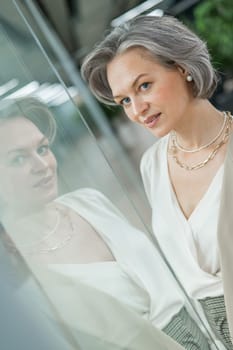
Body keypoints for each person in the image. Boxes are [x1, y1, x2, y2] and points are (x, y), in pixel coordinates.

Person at [0, 96, 211, 349]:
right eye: (18, 159)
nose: (42, 165)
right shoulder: (17, 271)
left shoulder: (89, 202)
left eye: (42, 149)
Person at [81, 14, 233, 349]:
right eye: (124, 100)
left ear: (183, 68)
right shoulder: (153, 165)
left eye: (144, 86)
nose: (137, 109)